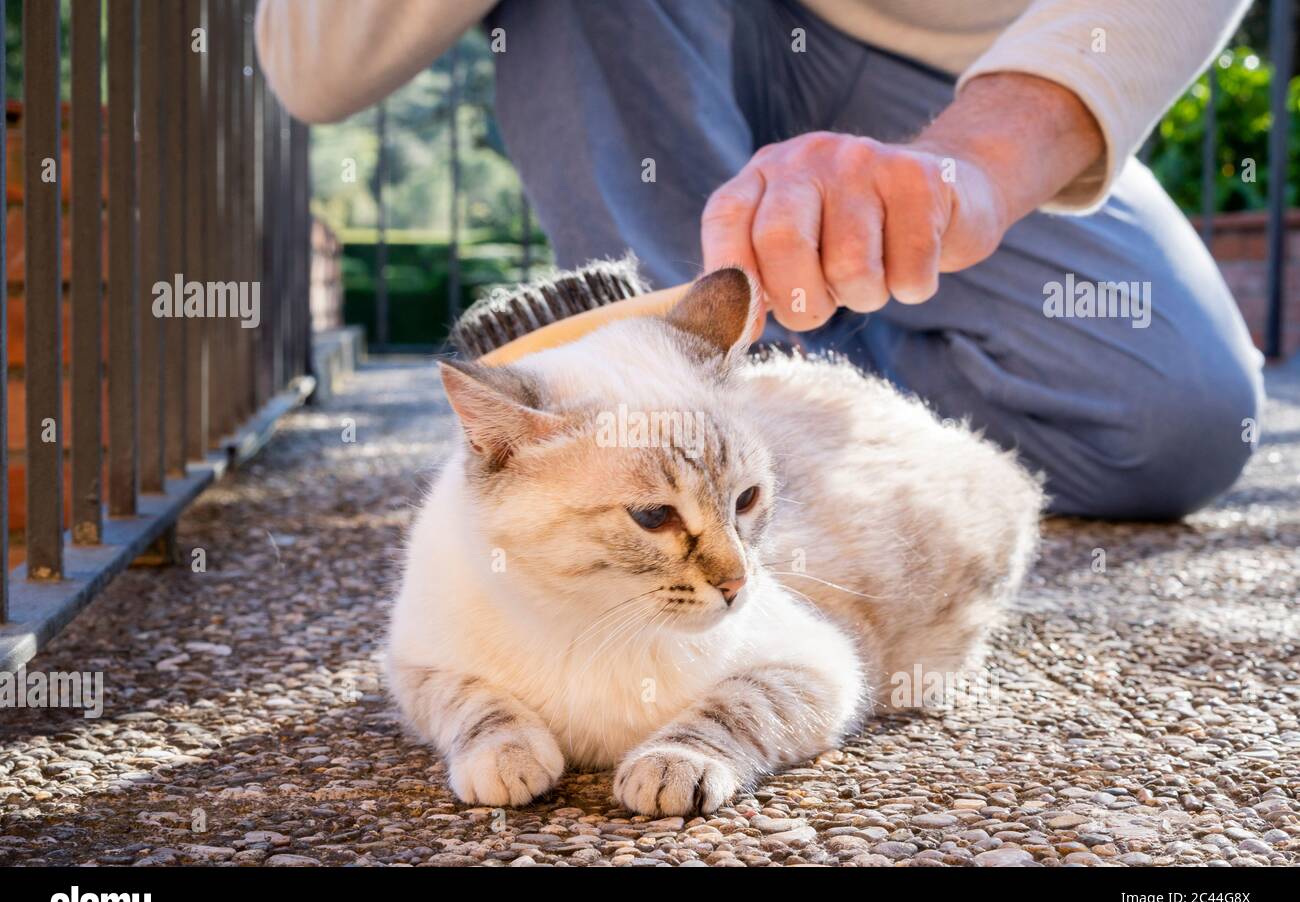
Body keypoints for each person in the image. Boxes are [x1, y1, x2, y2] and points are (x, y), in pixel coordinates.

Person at [256, 0, 1264, 519]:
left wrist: (981, 161)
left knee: (1174, 419)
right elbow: (310, 62)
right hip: (643, 41)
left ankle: (794, 399)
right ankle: (679, 445)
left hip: (957, 77)